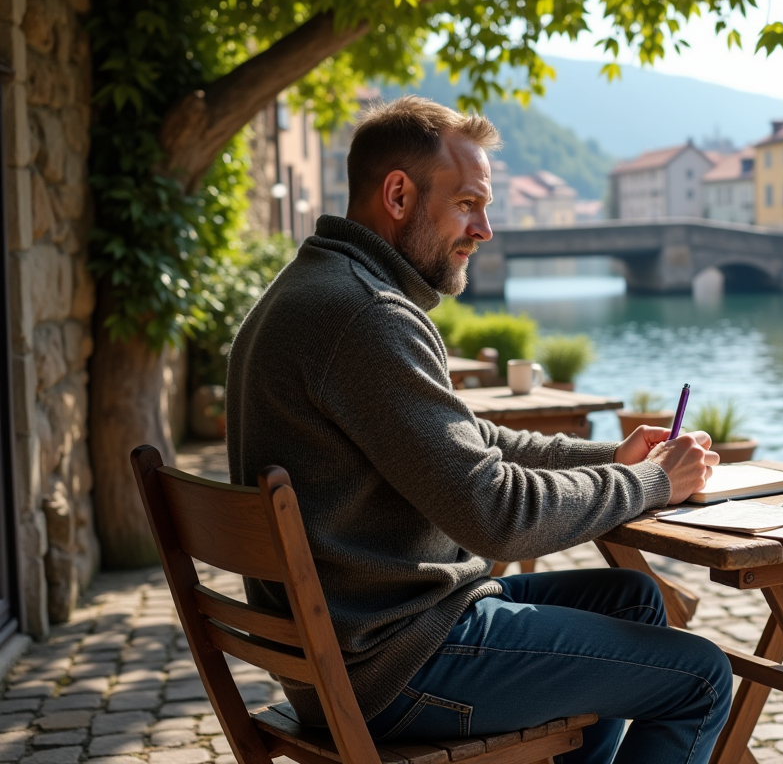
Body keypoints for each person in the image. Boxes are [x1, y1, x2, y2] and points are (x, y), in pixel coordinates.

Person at [225, 96, 731, 764]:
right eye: (468, 203)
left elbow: (474, 441)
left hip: (348, 649)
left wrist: (613, 455)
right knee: (701, 677)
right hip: (394, 666)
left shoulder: (314, 289)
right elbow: (497, 516)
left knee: (631, 599)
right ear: (399, 195)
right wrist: (648, 484)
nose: (485, 229)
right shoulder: (365, 315)